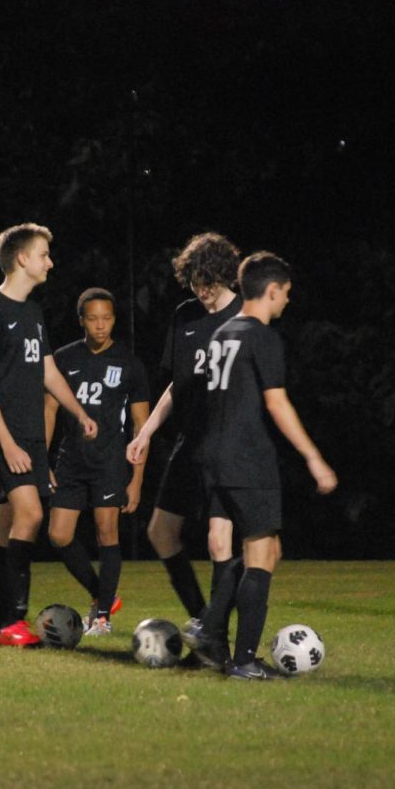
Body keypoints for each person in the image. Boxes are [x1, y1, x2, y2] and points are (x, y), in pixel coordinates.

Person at [192, 252, 338, 679]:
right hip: (247, 459)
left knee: (267, 551)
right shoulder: (262, 337)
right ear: (272, 291)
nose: (288, 302)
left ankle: (211, 624)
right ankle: (240, 658)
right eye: (286, 294)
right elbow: (276, 402)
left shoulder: (222, 333)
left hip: (214, 457)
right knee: (261, 555)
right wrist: (314, 458)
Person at [0, 223, 98, 646]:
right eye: (44, 254)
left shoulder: (32, 312)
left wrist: (78, 412)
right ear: (22, 258)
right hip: (5, 434)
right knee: (32, 515)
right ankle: (13, 620)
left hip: (31, 435)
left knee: (8, 521)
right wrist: (6, 442)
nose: (50, 262)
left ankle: (1, 625)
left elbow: (48, 372)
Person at [125, 233, 242, 638]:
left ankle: (218, 637)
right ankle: (201, 616)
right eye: (196, 283)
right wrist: (146, 433)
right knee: (159, 532)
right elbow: (177, 385)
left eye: (209, 283)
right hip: (189, 445)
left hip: (230, 447)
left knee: (218, 542)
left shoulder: (247, 316)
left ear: (226, 276)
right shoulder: (185, 316)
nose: (203, 292)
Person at [44, 288, 150, 636]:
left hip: (109, 463)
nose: (100, 325)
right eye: (93, 318)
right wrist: (42, 460)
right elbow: (49, 409)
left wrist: (136, 479)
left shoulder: (130, 364)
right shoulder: (63, 358)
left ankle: (102, 616)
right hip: (70, 462)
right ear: (81, 321)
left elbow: (141, 426)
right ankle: (102, 594)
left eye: (106, 318)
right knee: (58, 535)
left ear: (114, 319)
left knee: (107, 533)